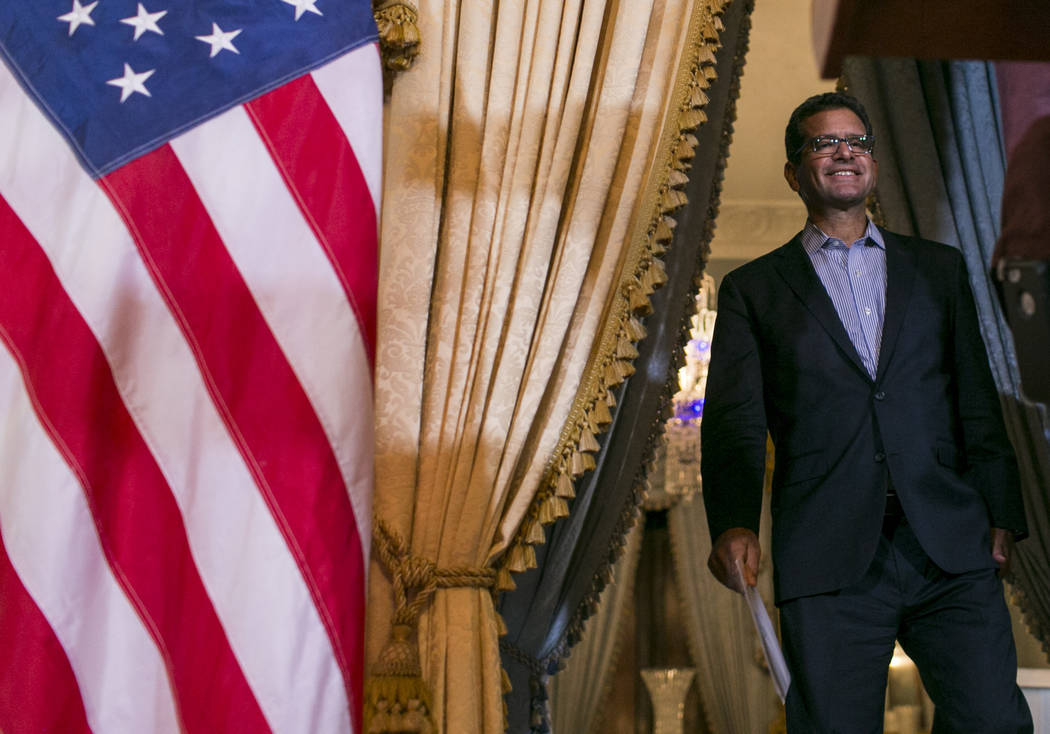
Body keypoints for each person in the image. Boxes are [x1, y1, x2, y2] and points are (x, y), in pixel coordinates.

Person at [700, 91, 1033, 732]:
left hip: (950, 545)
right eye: (825, 143)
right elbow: (735, 423)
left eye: (858, 142)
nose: (845, 152)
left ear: (873, 164)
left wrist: (1003, 510)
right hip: (826, 554)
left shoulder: (938, 269)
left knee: (995, 723)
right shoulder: (754, 290)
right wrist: (734, 521)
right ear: (796, 174)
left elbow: (974, 398)